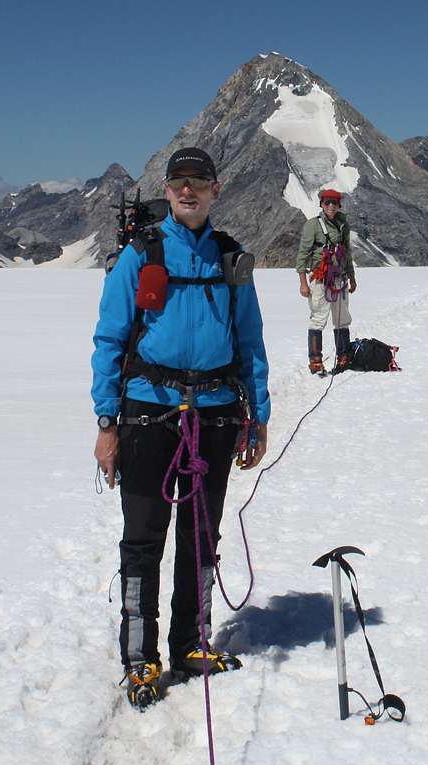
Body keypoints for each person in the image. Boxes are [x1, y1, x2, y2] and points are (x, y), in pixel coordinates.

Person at [91, 147, 270, 709]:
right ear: (166, 192)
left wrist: (257, 413)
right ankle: (141, 659)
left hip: (215, 414)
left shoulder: (229, 257)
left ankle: (190, 646)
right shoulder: (140, 254)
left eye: (199, 182)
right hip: (148, 411)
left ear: (216, 190)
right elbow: (109, 339)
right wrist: (106, 422)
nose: (187, 190)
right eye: (177, 183)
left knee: (200, 537)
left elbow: (250, 343)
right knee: (142, 541)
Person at [296, 189, 357, 375]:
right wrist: (303, 282)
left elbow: (346, 252)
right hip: (320, 279)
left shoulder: (343, 225)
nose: (331, 205)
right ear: (321, 204)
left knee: (342, 319)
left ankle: (343, 358)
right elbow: (303, 255)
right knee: (318, 319)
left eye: (334, 202)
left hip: (339, 279)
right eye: (327, 202)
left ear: (339, 205)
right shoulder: (313, 225)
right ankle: (315, 362)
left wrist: (352, 277)